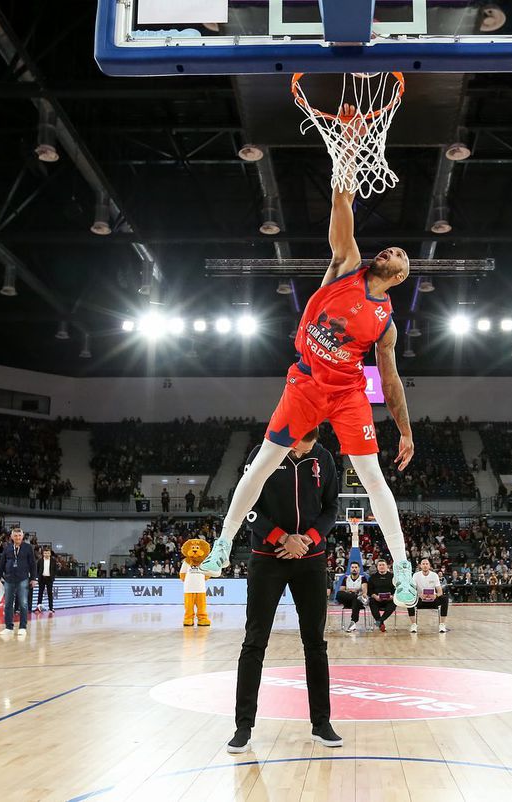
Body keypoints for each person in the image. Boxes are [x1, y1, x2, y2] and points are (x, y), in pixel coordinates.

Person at [202, 132, 417, 612]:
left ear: (400, 276)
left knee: (372, 475)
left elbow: (394, 381)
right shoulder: (348, 267)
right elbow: (342, 212)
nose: (391, 251)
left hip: (346, 395)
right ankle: (222, 544)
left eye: (400, 254)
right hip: (304, 383)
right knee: (261, 464)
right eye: (390, 248)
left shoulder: (385, 325)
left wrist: (404, 429)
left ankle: (402, 569)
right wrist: (345, 159)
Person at [228, 427, 341, 754]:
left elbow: (331, 507)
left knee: (315, 644)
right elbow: (245, 505)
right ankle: (243, 726)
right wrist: (280, 537)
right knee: (254, 642)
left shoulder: (323, 458)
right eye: (301, 449)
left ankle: (322, 724)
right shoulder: (261, 455)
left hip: (310, 558)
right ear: (289, 441)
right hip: (267, 558)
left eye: (310, 448)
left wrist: (309, 539)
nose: (306, 455)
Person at [0, 526, 36, 639]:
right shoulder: (7, 548)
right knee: (8, 604)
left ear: (22, 537)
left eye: (19, 535)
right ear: (12, 537)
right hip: (8, 579)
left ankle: (22, 627)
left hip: (23, 578)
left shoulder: (28, 548)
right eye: (15, 535)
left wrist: (33, 578)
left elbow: (32, 564)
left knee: (23, 603)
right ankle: (8, 627)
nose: (17, 537)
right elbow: (1, 564)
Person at [407, 558, 449, 634]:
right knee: (409, 599)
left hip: (432, 600)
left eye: (427, 564)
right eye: (423, 564)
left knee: (445, 599)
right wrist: (419, 595)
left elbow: (440, 591)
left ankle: (442, 624)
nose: (425, 565)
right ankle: (413, 624)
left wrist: (435, 595)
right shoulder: (416, 575)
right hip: (420, 600)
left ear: (429, 565)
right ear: (420, 566)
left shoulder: (434, 575)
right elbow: (412, 590)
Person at [335, 561, 366, 632]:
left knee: (356, 599)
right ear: (350, 569)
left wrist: (349, 590)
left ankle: (353, 622)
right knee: (339, 593)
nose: (354, 569)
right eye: (352, 567)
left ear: (359, 569)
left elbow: (364, 592)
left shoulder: (363, 578)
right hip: (349, 599)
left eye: (356, 567)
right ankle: (355, 597)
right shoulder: (346, 578)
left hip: (358, 601)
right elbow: (342, 590)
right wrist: (353, 591)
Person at [366, 558, 397, 631]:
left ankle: (379, 621)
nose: (381, 566)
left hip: (389, 600)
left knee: (394, 602)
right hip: (377, 599)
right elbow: (370, 591)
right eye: (380, 565)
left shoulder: (393, 577)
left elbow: (397, 589)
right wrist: (375, 596)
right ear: (377, 567)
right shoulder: (372, 577)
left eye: (383, 565)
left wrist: (392, 596)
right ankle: (380, 622)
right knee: (371, 601)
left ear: (387, 566)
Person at [35, 545, 57, 614]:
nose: (46, 554)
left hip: (49, 579)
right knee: (40, 593)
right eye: (45, 553)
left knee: (50, 593)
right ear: (43, 553)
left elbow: (55, 570)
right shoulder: (40, 561)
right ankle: (38, 608)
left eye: (48, 553)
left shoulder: (53, 561)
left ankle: (51, 608)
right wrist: (38, 577)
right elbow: (37, 569)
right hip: (42, 578)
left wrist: (53, 577)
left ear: (50, 553)